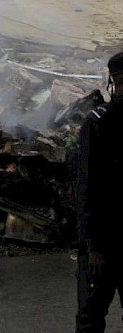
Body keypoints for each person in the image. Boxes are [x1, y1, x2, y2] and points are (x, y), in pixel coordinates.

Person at [75, 51, 123, 332]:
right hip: (104, 239)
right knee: (91, 317)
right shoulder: (98, 122)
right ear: (116, 81)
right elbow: (87, 186)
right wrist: (93, 245)